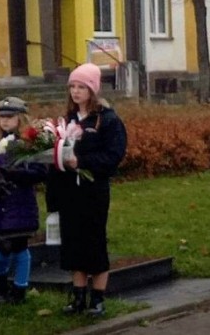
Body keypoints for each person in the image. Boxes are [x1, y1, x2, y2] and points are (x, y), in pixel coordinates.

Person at [52, 63, 127, 317]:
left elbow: (113, 156)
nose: (75, 92)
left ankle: (98, 298)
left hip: (93, 190)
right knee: (73, 241)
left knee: (93, 241)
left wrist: (82, 162)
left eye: (81, 87)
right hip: (70, 191)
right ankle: (78, 296)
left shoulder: (107, 120)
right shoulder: (68, 119)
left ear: (93, 90)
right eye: (72, 87)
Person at [0, 97, 48, 304]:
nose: (5, 121)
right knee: (2, 247)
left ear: (20, 118)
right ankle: (1, 285)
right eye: (2, 117)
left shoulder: (29, 144)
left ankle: (20, 288)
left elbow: (40, 172)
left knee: (20, 246)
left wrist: (14, 174)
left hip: (20, 202)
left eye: (10, 117)